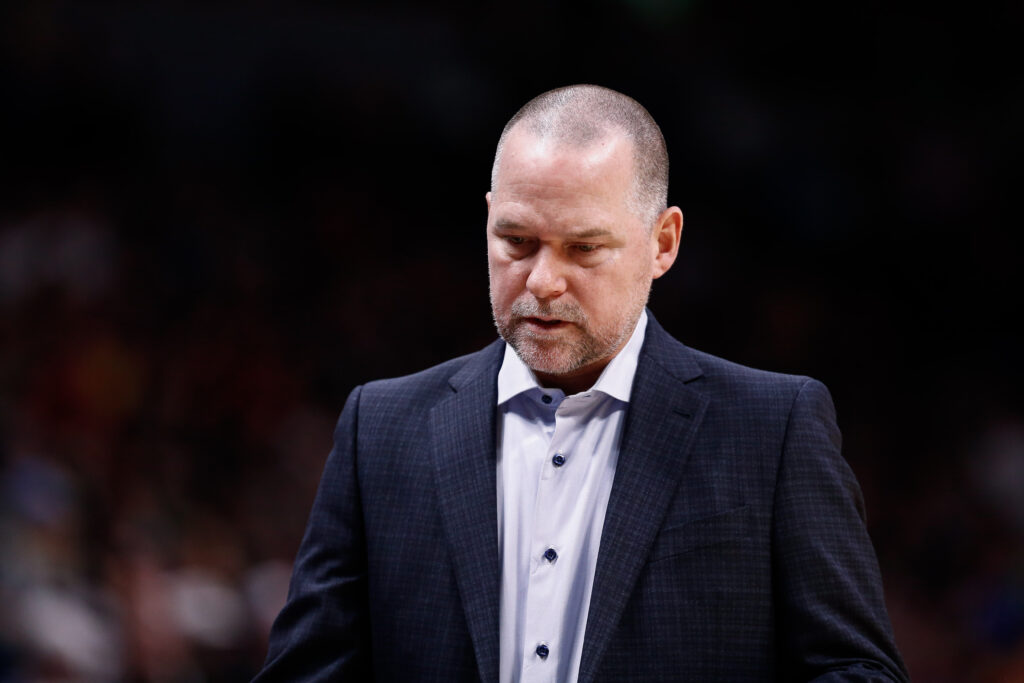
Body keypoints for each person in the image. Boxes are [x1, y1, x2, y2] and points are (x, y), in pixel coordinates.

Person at [254, 85, 908, 682]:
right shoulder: (381, 429)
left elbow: (856, 671)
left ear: (664, 242)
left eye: (584, 248)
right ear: (486, 220)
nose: (541, 280)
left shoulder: (774, 430)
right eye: (516, 240)